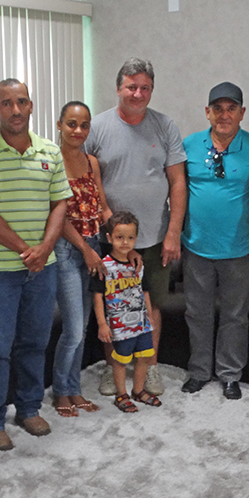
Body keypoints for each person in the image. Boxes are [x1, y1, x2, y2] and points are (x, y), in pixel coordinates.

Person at [0, 79, 71, 451]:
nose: (15, 110)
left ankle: (28, 408)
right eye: (6, 103)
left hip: (44, 267)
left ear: (31, 105)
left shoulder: (50, 151)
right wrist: (27, 249)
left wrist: (44, 249)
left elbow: (60, 203)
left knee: (35, 343)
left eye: (21, 102)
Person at [85, 58, 186, 396]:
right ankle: (113, 367)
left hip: (154, 237)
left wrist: (173, 231)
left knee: (149, 304)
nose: (138, 93)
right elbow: (84, 177)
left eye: (145, 88)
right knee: (113, 303)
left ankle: (150, 367)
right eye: (131, 86)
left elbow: (177, 182)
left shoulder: (165, 125)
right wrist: (102, 216)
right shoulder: (96, 127)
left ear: (151, 90)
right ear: (118, 88)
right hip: (109, 240)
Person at [181, 82, 249, 400]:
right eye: (218, 108)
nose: (224, 114)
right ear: (207, 112)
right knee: (197, 313)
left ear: (242, 113)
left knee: (234, 315)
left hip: (240, 248)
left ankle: (230, 375)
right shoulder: (188, 145)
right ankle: (200, 372)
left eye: (231, 108)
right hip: (196, 246)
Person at [52, 101, 110, 417]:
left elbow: (102, 206)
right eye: (71, 124)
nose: (78, 131)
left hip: (94, 246)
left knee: (84, 326)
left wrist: (121, 241)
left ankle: (74, 389)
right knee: (73, 329)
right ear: (59, 124)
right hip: (65, 250)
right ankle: (61, 391)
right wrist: (86, 251)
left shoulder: (91, 163)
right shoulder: (50, 162)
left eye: (84, 125)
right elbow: (57, 218)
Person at [92, 211, 160, 413]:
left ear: (136, 239)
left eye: (130, 238)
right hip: (119, 325)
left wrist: (148, 315)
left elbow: (144, 291)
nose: (125, 243)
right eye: (119, 237)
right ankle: (121, 394)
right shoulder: (104, 267)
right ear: (109, 238)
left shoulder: (138, 265)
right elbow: (98, 297)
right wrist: (102, 324)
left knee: (144, 357)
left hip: (141, 322)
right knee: (120, 360)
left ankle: (138, 390)